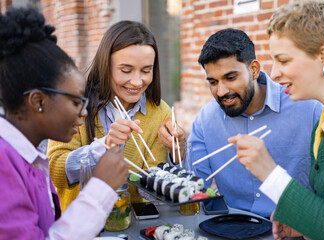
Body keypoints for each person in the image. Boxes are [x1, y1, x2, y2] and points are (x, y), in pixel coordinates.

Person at [228, 1, 324, 239]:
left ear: (323, 57)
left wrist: (270, 173)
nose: (274, 72)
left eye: (284, 60)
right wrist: (304, 224)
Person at [0, 7, 128, 239]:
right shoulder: (3, 163)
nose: (84, 112)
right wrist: (101, 187)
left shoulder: (29, 155)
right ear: (38, 100)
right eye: (77, 100)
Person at [47, 20, 185, 210]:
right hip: (79, 224)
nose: (137, 82)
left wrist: (174, 156)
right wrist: (104, 146)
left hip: (131, 226)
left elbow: (151, 195)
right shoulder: (76, 103)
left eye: (146, 71)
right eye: (126, 70)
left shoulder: (161, 112)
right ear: (106, 65)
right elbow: (55, 172)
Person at [189, 28, 323, 218]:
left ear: (253, 69)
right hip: (229, 229)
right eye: (213, 82)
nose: (221, 91)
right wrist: (175, 150)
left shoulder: (309, 109)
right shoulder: (206, 119)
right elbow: (193, 189)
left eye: (230, 78)